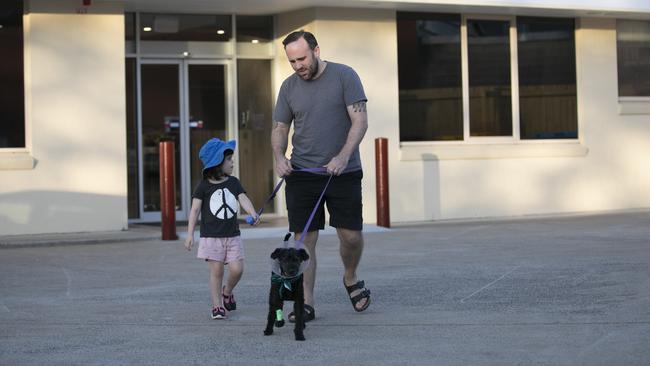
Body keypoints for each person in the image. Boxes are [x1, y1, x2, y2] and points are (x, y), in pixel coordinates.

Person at [272, 30, 371, 323]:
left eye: (302, 58)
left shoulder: (344, 76)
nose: (298, 65)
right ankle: (306, 302)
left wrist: (342, 156)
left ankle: (351, 277)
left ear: (316, 50)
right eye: (292, 61)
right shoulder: (288, 87)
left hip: (343, 171)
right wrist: (279, 157)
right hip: (302, 174)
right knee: (303, 242)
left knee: (351, 237)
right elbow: (280, 128)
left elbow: (360, 120)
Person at [184, 138, 260, 319]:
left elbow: (243, 199)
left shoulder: (233, 182)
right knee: (216, 271)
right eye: (228, 159)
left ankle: (228, 291)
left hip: (232, 236)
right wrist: (189, 235)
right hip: (211, 237)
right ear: (217, 162)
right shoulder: (203, 186)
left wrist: (253, 212)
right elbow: (194, 210)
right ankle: (217, 306)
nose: (232, 162)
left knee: (237, 269)